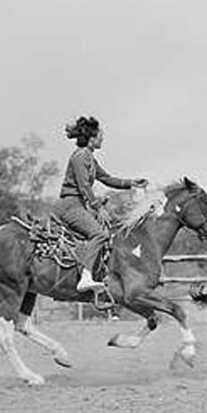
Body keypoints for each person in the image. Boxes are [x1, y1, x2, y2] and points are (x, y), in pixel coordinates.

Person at [57, 116, 147, 291]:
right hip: (70, 206)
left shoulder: (89, 158)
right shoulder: (80, 157)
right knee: (100, 235)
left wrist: (132, 183)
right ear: (92, 138)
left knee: (110, 232)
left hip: (79, 205)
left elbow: (106, 178)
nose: (102, 138)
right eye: (100, 135)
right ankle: (85, 276)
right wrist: (99, 208)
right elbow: (84, 186)